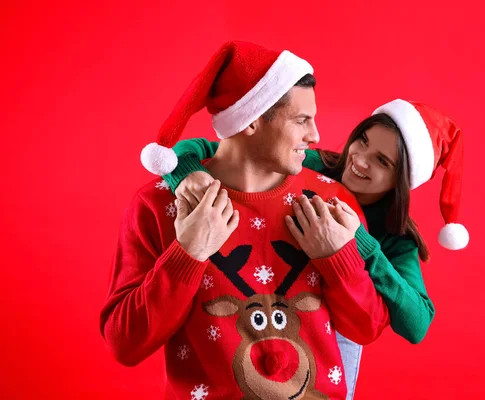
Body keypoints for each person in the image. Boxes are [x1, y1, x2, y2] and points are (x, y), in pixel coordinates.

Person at [100, 41, 390, 400]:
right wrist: (187, 254)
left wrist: (339, 259)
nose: (315, 136)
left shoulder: (332, 202)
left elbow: (367, 328)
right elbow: (124, 344)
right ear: (252, 121)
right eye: (301, 120)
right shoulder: (159, 205)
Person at [162, 98, 470, 398]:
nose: (360, 159)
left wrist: (362, 244)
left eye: (382, 161)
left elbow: (417, 323)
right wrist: (186, 176)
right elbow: (208, 150)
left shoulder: (395, 236)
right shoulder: (310, 164)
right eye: (362, 141)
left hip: (341, 327)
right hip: (271, 304)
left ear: (399, 181)